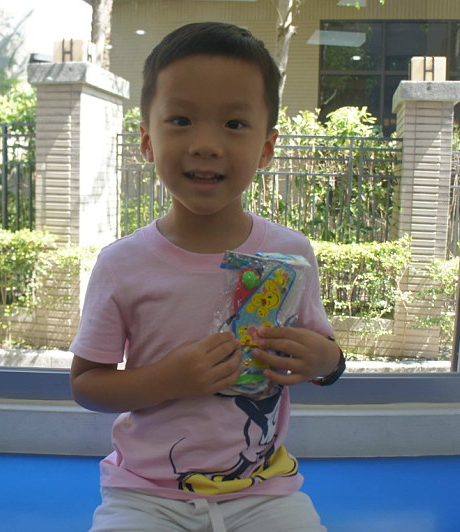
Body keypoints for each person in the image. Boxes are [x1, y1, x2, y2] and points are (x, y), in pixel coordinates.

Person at [69, 21, 346, 532]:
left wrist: (324, 361)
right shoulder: (121, 264)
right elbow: (87, 385)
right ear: (147, 141)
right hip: (145, 494)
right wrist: (168, 380)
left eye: (234, 124)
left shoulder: (290, 255)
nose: (205, 144)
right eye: (181, 120)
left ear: (267, 147)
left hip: (264, 490)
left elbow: (326, 355)